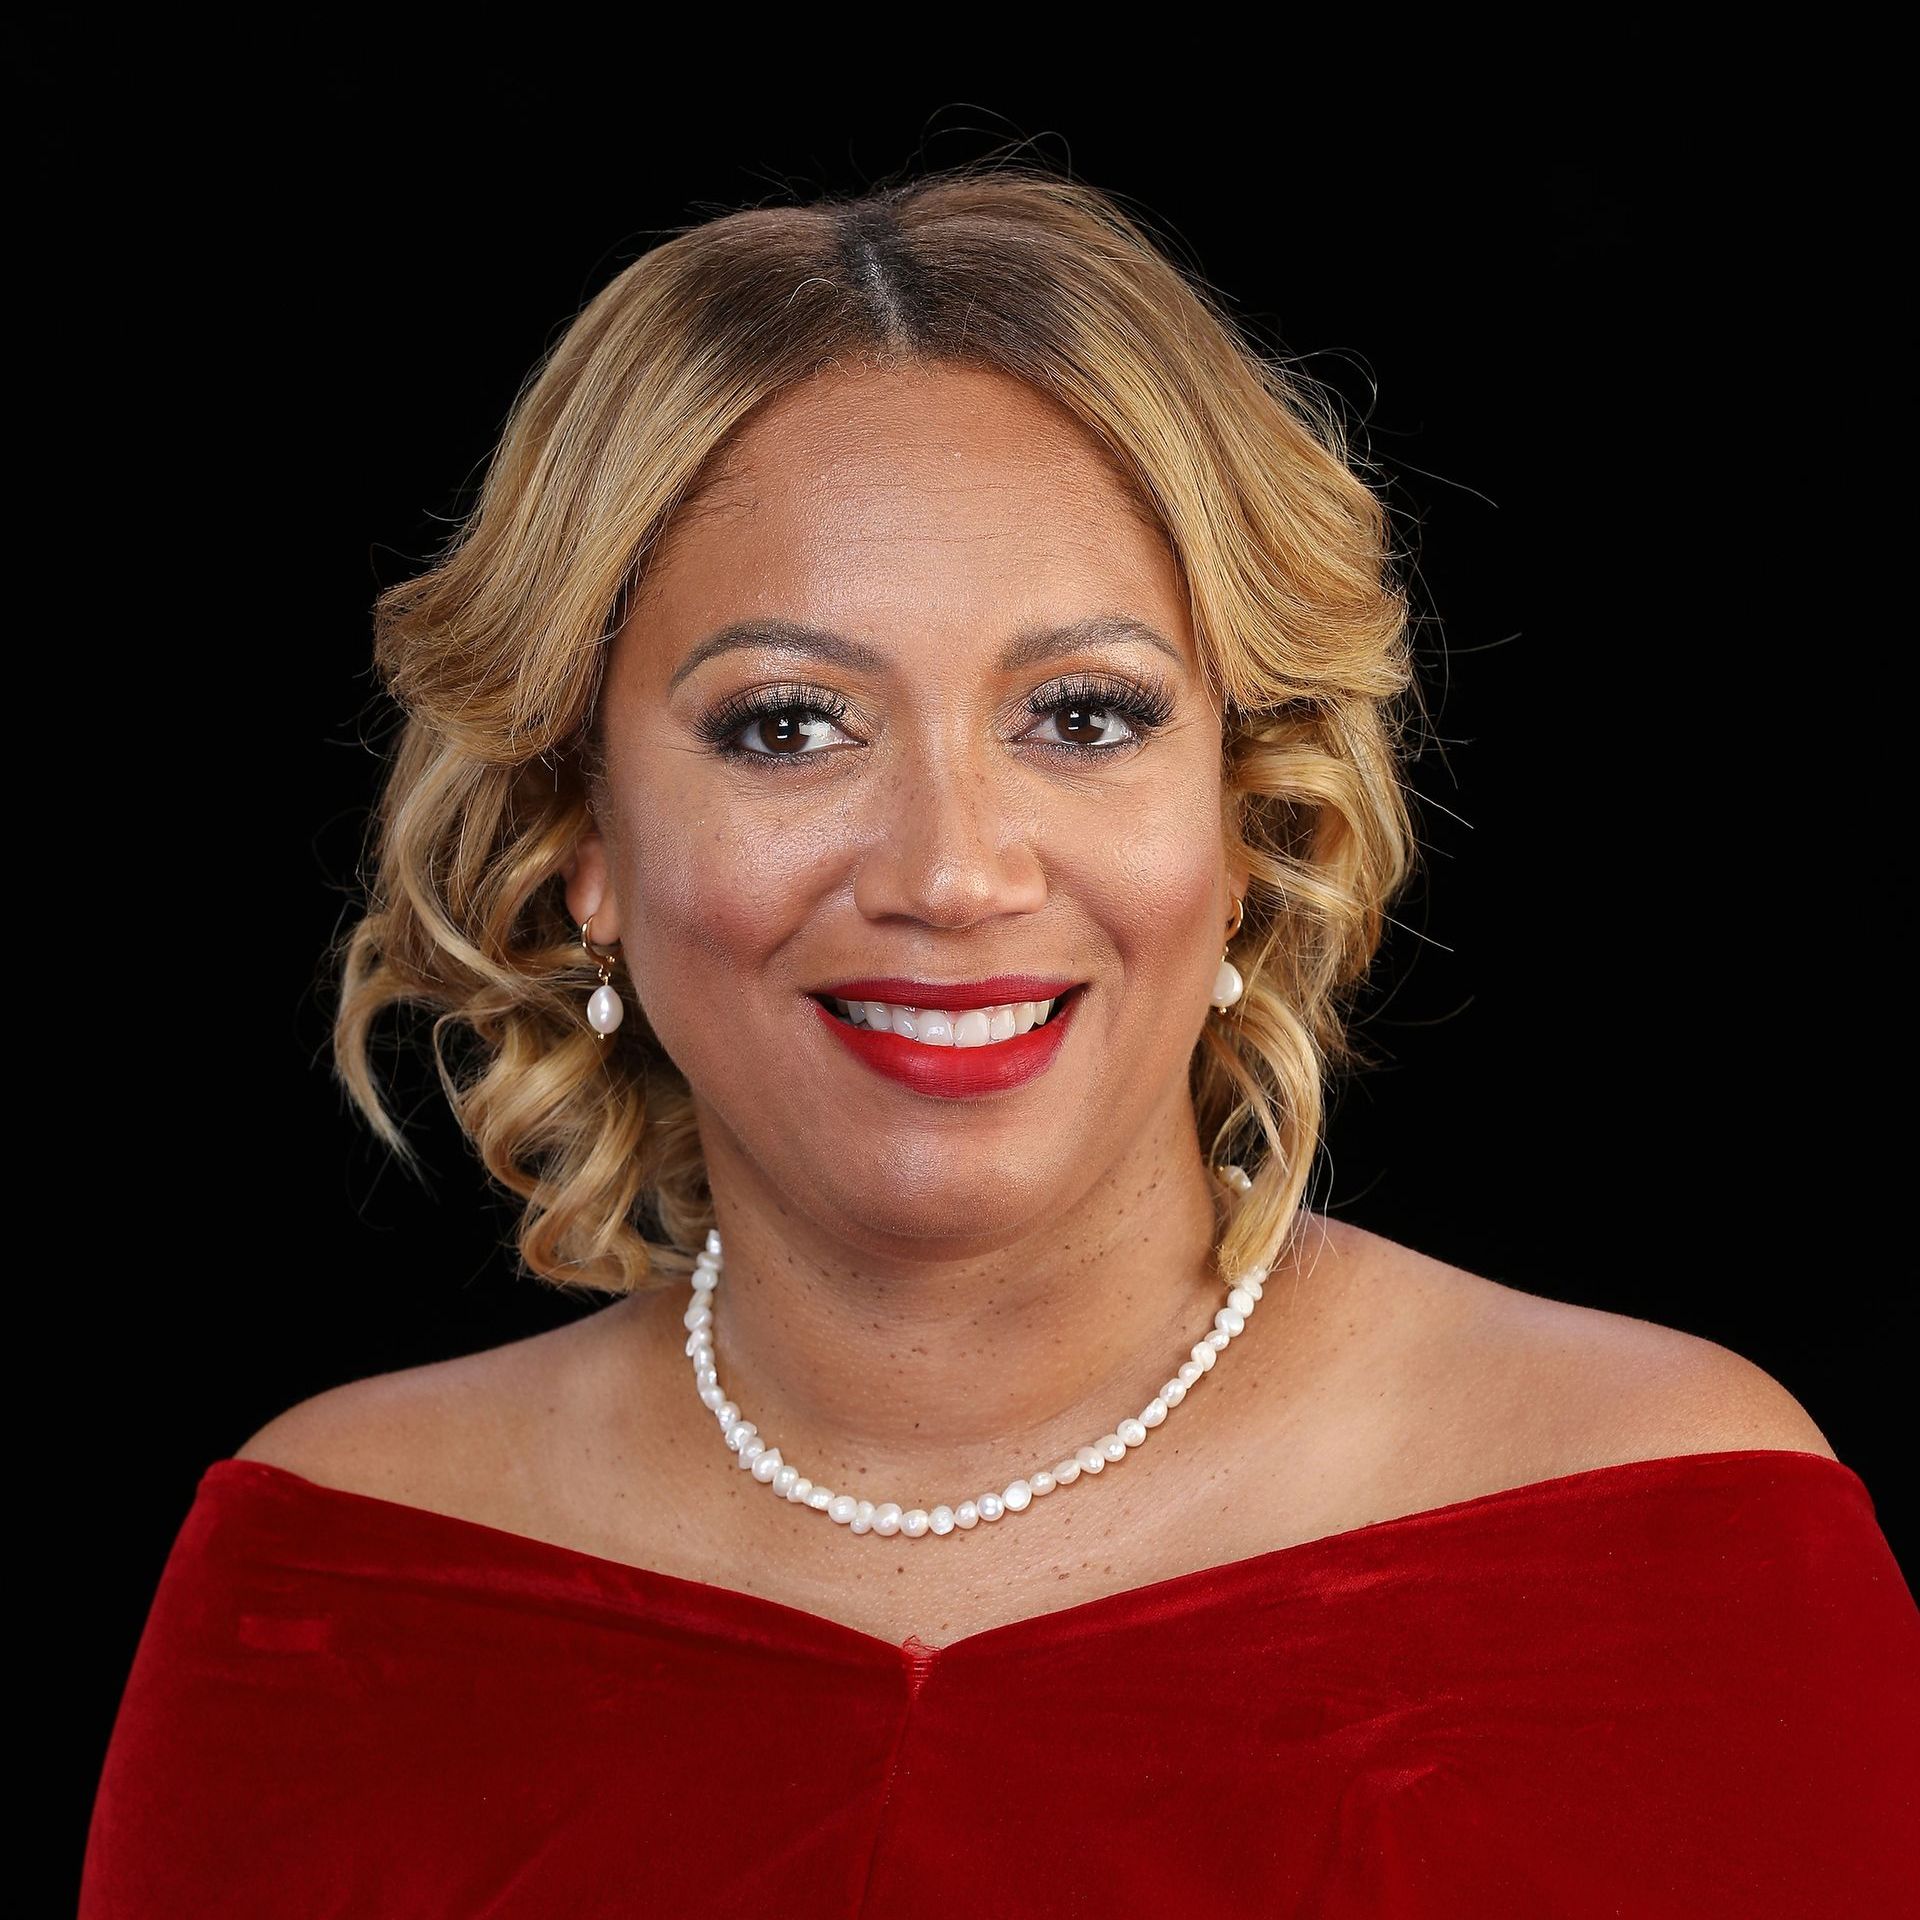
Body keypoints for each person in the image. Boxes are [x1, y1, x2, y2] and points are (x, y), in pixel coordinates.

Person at [80, 161, 1918, 1916]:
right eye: (790, 726)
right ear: (584, 838)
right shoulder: (321, 1578)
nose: (954, 871)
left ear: (1244, 811)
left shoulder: (1670, 1536)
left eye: (1085, 715)